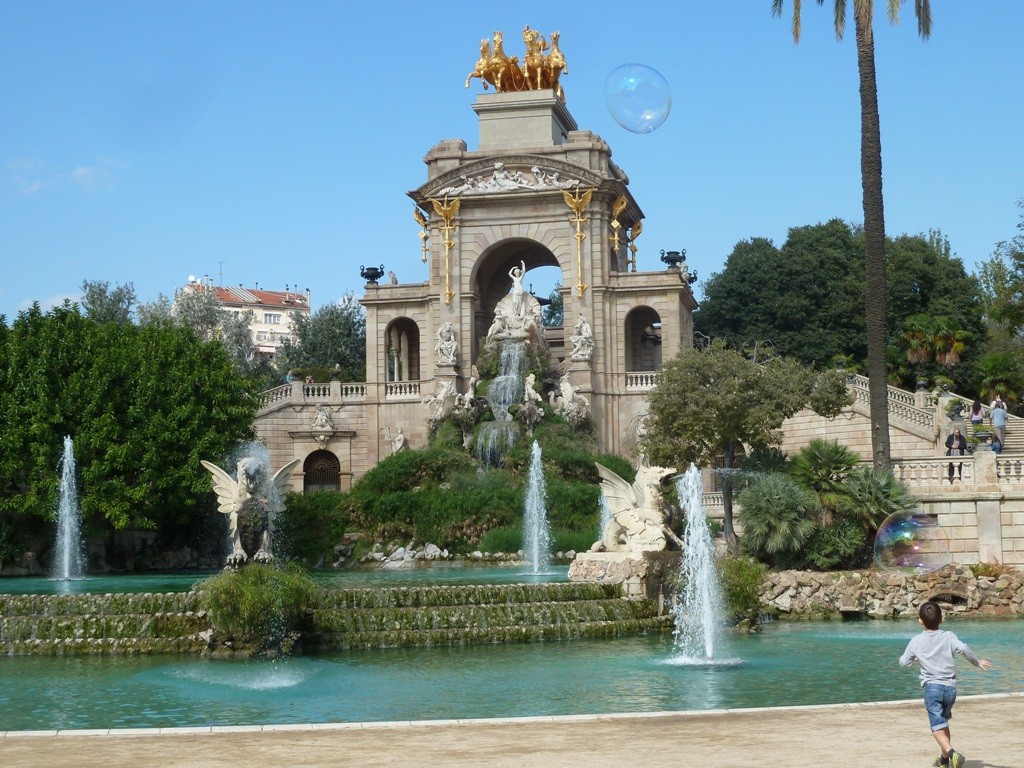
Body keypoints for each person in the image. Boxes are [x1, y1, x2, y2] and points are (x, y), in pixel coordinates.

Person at [899, 601, 991, 768]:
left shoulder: (916, 641)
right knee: (943, 723)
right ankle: (943, 760)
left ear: (920, 620)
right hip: (950, 689)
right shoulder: (949, 636)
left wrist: (911, 660)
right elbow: (963, 648)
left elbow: (904, 662)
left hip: (932, 688)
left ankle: (951, 753)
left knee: (936, 727)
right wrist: (976, 662)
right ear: (941, 619)